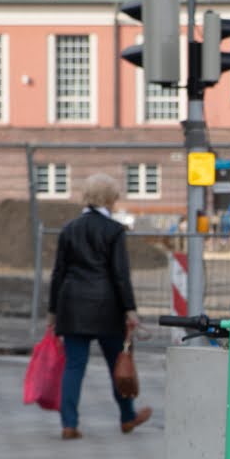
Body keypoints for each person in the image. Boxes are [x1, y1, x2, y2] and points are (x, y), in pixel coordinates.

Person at [47, 173, 151, 439]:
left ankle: (69, 423)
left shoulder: (69, 228)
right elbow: (120, 274)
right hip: (106, 307)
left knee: (74, 366)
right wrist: (130, 310)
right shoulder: (114, 230)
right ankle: (127, 417)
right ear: (109, 199)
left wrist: (52, 312)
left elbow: (58, 272)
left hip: (71, 305)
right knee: (118, 363)